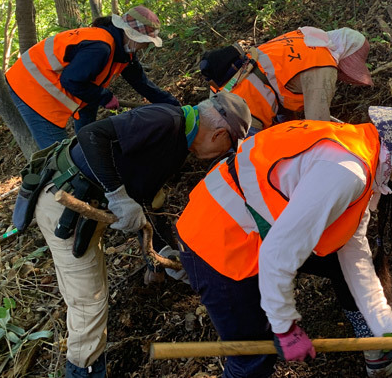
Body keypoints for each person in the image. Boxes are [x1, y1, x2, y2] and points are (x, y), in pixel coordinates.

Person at [176, 95, 392, 377]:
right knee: (252, 358)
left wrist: (384, 323)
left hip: (245, 223)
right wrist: (284, 327)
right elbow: (277, 253)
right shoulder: (347, 172)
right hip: (214, 237)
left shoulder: (366, 154)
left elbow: (353, 248)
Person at [32, 91, 251, 378]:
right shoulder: (165, 120)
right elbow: (92, 135)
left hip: (93, 204)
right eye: (228, 146)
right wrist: (117, 194)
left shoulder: (179, 143)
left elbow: (148, 199)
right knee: (89, 302)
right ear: (219, 133)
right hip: (67, 205)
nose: (223, 153)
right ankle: (81, 371)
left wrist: (162, 255)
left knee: (89, 300)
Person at [5, 5, 180, 149]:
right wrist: (105, 96)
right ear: (133, 36)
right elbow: (71, 80)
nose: (147, 46)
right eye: (146, 41)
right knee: (56, 154)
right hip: (31, 85)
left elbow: (142, 84)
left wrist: (176, 106)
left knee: (90, 109)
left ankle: (87, 147)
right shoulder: (100, 47)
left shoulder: (123, 52)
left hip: (59, 83)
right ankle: (53, 185)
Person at [199, 27, 373, 133]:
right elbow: (318, 125)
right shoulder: (322, 64)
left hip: (218, 104)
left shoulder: (302, 39)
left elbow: (277, 85)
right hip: (243, 117)